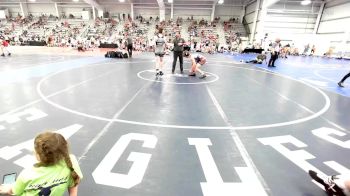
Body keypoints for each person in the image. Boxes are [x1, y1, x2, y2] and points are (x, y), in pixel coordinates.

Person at [0, 131, 83, 196]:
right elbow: (74, 182)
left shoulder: (28, 174)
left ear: (38, 155)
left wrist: (9, 188)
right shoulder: (71, 161)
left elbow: (15, 192)